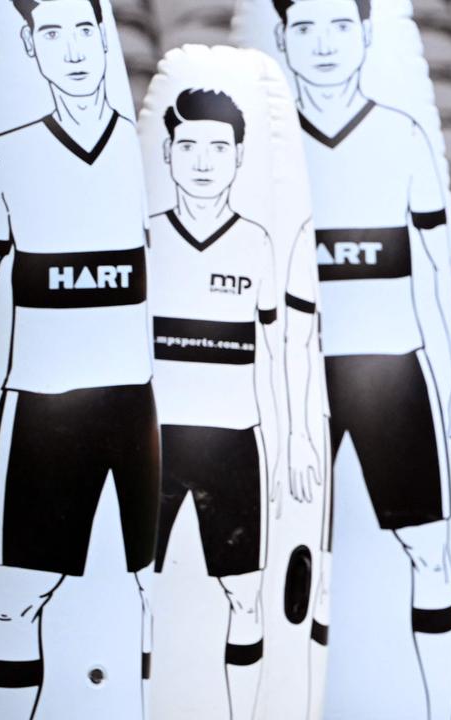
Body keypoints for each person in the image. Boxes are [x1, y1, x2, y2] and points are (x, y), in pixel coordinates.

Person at [272, 1, 451, 717]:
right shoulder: (265, 145)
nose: (323, 45)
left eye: (339, 26)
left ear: (366, 34)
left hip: (393, 376)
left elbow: (436, 279)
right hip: (300, 381)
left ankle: (435, 703)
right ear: (283, 39)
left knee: (429, 555)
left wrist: (446, 391)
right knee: (291, 559)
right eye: (305, 29)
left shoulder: (402, 134)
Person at [0, 1, 158, 717]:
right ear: (29, 46)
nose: (74, 49)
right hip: (40, 410)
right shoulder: (4, 157)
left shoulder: (141, 156)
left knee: (140, 597)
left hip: (132, 410)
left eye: (86, 29)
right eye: (51, 33)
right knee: (15, 604)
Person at [148, 87, 284, 720]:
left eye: (218, 147)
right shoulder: (143, 241)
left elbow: (278, 356)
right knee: (141, 591)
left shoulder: (257, 244)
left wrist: (289, 441)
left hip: (235, 442)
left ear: (238, 157)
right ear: (169, 154)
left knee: (245, 595)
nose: (203, 160)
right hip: (152, 442)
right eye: (189, 146)